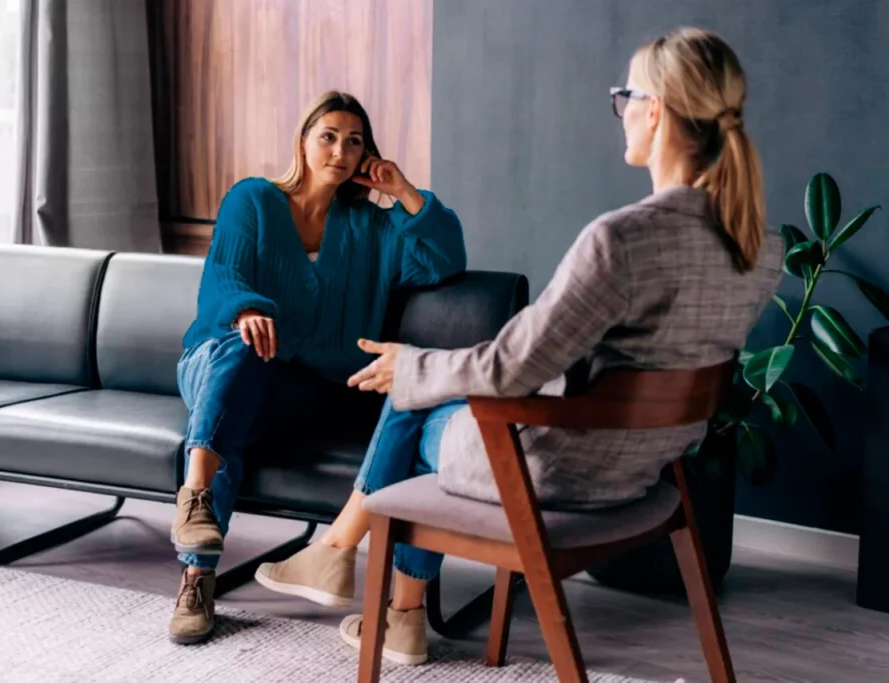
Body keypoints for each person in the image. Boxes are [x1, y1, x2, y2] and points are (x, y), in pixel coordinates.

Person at [255, 27, 784, 666]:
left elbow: (513, 366)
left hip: (558, 471)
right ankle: (388, 605)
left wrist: (413, 366)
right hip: (645, 470)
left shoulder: (622, 239)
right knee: (427, 382)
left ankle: (351, 567)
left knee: (414, 398)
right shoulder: (760, 246)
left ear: (656, 111)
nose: (621, 114)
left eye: (625, 97)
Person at [168, 91, 466, 644]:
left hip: (310, 386)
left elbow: (444, 261)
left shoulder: (374, 228)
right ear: (303, 142)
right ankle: (197, 536)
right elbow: (221, 279)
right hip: (217, 360)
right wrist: (247, 311)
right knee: (239, 361)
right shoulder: (252, 200)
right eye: (328, 135)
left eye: (354, 141)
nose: (340, 150)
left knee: (246, 394)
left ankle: (199, 554)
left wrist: (402, 191)